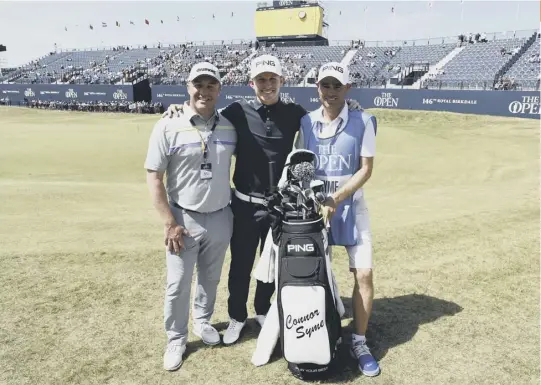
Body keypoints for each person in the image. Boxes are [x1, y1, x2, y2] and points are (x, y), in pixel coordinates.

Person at [163, 55, 361, 347]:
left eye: (272, 79)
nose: (267, 85)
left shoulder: (295, 114)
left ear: (281, 81)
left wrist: (350, 106)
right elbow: (204, 115)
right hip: (243, 205)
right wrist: (178, 108)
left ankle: (261, 309)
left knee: (272, 266)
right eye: (261, 80)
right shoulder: (236, 112)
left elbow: (325, 115)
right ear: (251, 83)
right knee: (241, 266)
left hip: (280, 207)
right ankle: (236, 317)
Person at [144, 62, 236, 371]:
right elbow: (154, 177)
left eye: (211, 85)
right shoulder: (168, 124)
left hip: (222, 216)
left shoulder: (229, 126)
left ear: (219, 90)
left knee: (210, 278)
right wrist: (170, 223)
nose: (204, 91)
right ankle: (176, 338)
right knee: (178, 283)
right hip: (183, 220)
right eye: (199, 84)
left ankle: (202, 321)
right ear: (188, 87)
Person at [295, 62, 381, 377]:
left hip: (351, 207)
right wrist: (314, 198)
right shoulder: (306, 122)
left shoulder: (364, 120)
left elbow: (366, 169)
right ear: (317, 87)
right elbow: (301, 167)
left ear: (348, 89)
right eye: (325, 85)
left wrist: (337, 198)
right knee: (314, 278)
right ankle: (319, 331)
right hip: (316, 211)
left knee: (364, 276)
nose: (330, 92)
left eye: (337, 86)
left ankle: (359, 341)